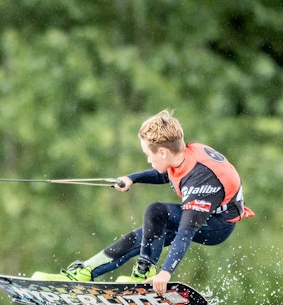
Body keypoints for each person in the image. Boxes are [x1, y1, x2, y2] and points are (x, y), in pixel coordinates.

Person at [33, 109, 253, 293]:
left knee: (156, 212)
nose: (147, 159)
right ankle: (84, 272)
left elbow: (185, 233)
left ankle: (146, 272)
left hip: (217, 226)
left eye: (148, 154)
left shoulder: (200, 183)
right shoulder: (183, 155)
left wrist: (166, 273)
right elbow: (167, 174)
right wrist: (133, 178)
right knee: (144, 233)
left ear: (163, 152)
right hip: (204, 212)